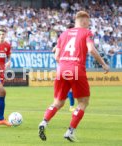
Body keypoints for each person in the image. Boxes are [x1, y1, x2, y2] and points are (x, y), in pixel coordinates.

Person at [38, 11, 109, 142]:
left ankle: (44, 122)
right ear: (84, 21)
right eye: (88, 22)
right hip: (76, 69)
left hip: (62, 69)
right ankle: (70, 131)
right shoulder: (86, 33)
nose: (89, 25)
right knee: (83, 102)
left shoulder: (64, 34)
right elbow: (92, 50)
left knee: (58, 102)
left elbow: (56, 57)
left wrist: (65, 65)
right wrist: (103, 64)